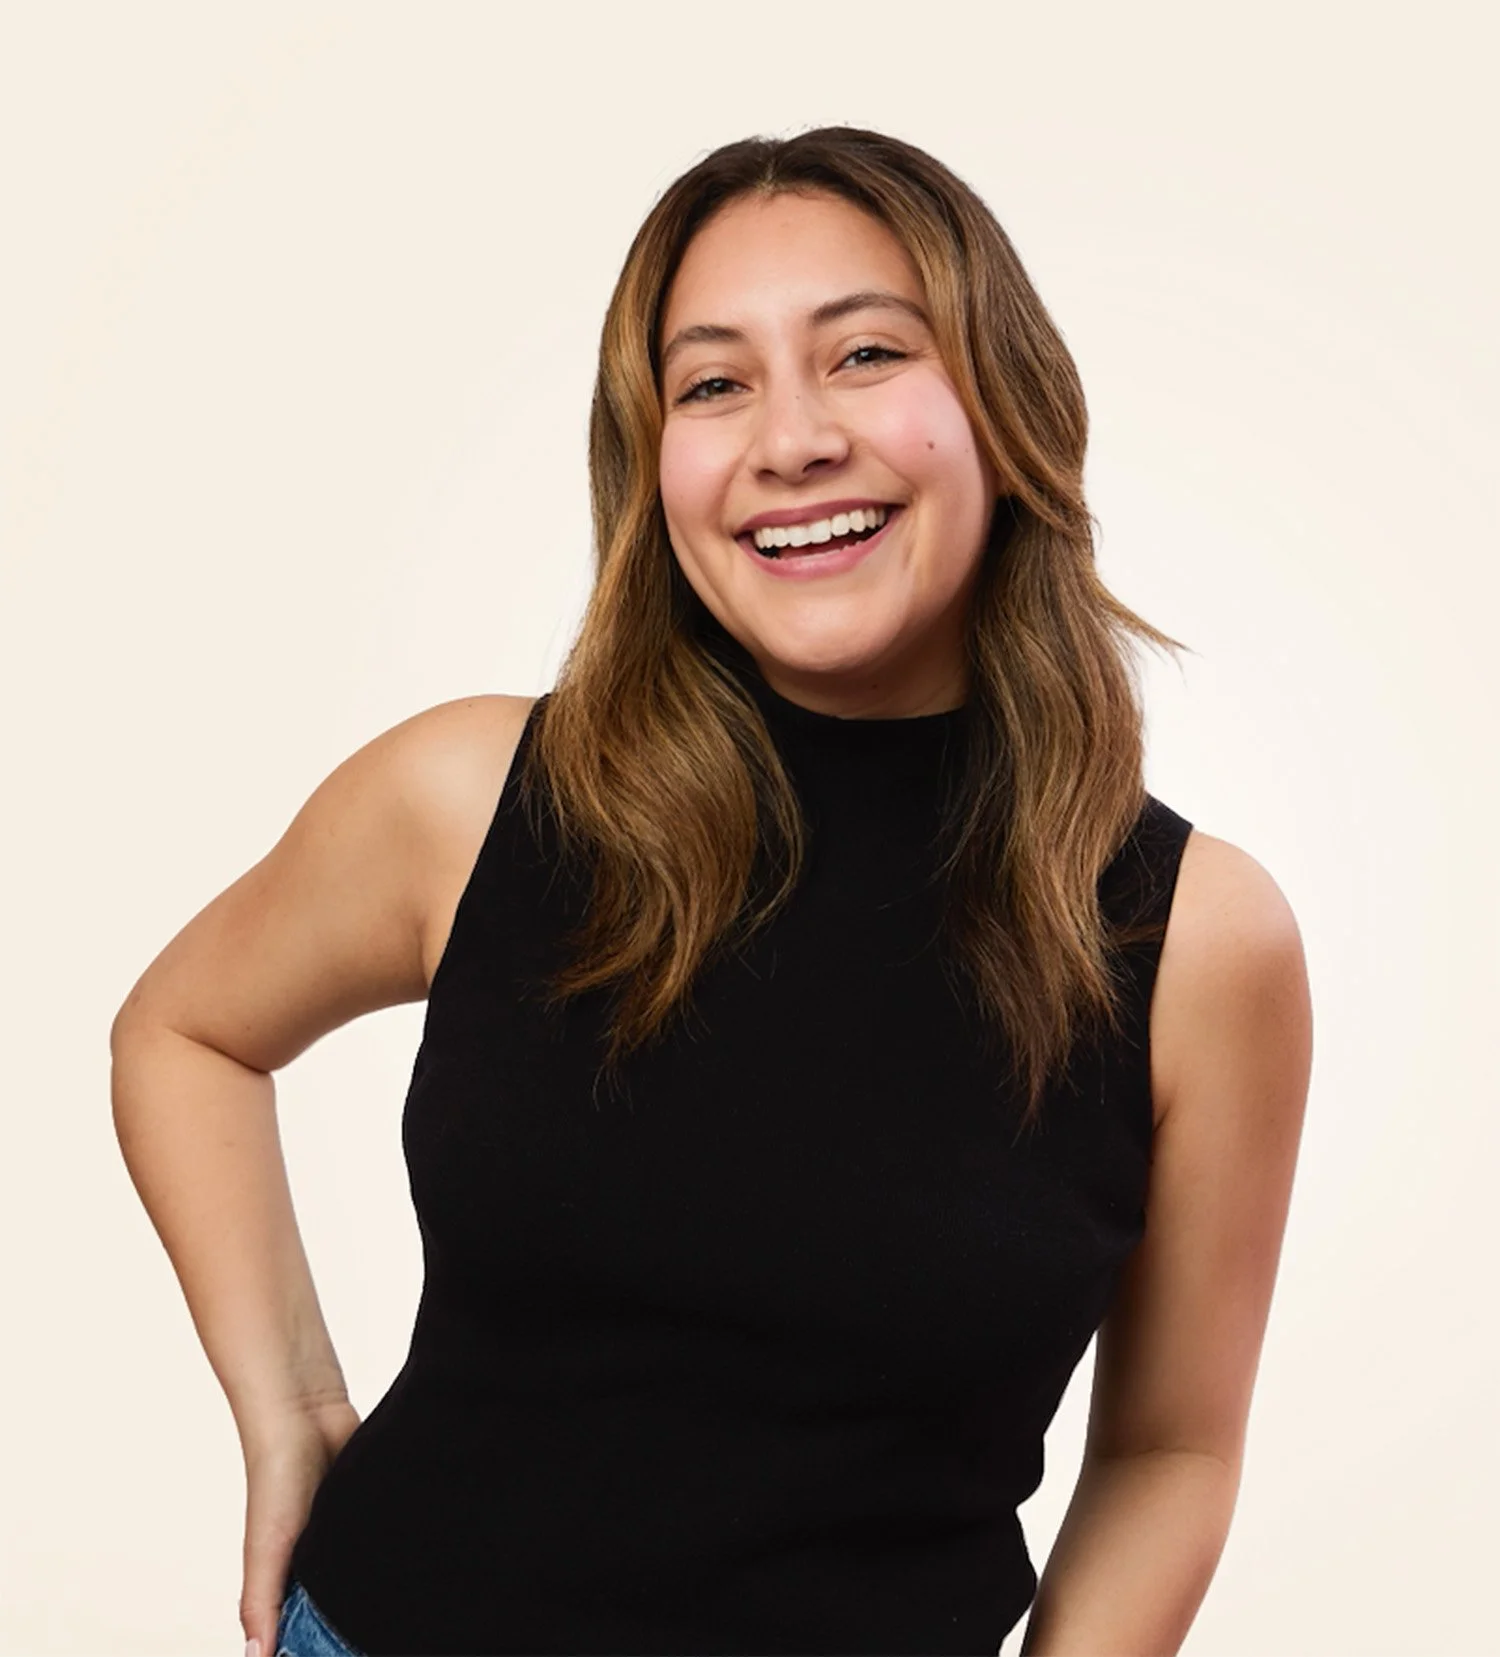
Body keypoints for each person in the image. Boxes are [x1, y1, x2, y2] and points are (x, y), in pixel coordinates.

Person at [110, 126, 1312, 1657]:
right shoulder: (470, 799)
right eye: (714, 382)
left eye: (866, 353)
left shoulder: (1192, 937)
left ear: (1005, 410)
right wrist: (291, 1410)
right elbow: (183, 1033)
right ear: (654, 458)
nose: (791, 439)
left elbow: (1172, 1451)